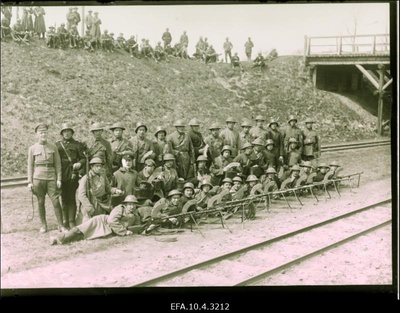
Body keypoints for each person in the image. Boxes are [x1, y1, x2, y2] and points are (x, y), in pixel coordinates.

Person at [50, 195, 143, 245]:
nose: (131, 207)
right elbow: (111, 221)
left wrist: (139, 230)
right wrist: (124, 232)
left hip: (107, 230)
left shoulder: (135, 214)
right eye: (129, 204)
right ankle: (58, 238)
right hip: (100, 222)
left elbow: (136, 226)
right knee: (80, 230)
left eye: (133, 204)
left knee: (83, 236)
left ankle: (60, 240)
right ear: (125, 204)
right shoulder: (120, 208)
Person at [27, 123, 65, 233]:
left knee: (56, 202)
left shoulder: (53, 147)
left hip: (51, 178)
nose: (43, 134)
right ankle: (43, 225)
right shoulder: (32, 148)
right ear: (37, 134)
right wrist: (30, 181)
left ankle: (60, 225)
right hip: (38, 178)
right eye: (41, 133)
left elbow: (58, 164)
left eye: (45, 132)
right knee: (40, 202)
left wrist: (59, 179)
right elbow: (30, 166)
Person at [56, 123, 86, 229]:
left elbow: (83, 158)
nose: (67, 133)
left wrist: (80, 163)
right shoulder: (58, 145)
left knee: (72, 198)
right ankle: (65, 221)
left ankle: (72, 220)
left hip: (73, 174)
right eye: (65, 131)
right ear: (62, 133)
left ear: (72, 133)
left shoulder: (78, 145)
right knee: (63, 198)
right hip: (62, 175)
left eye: (69, 131)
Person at [78, 157, 123, 223]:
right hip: (91, 204)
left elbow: (108, 189)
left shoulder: (103, 176)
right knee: (89, 226)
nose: (99, 168)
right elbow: (81, 195)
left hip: (103, 204)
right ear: (92, 167)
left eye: (100, 166)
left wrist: (115, 190)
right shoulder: (86, 178)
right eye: (97, 166)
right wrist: (89, 208)